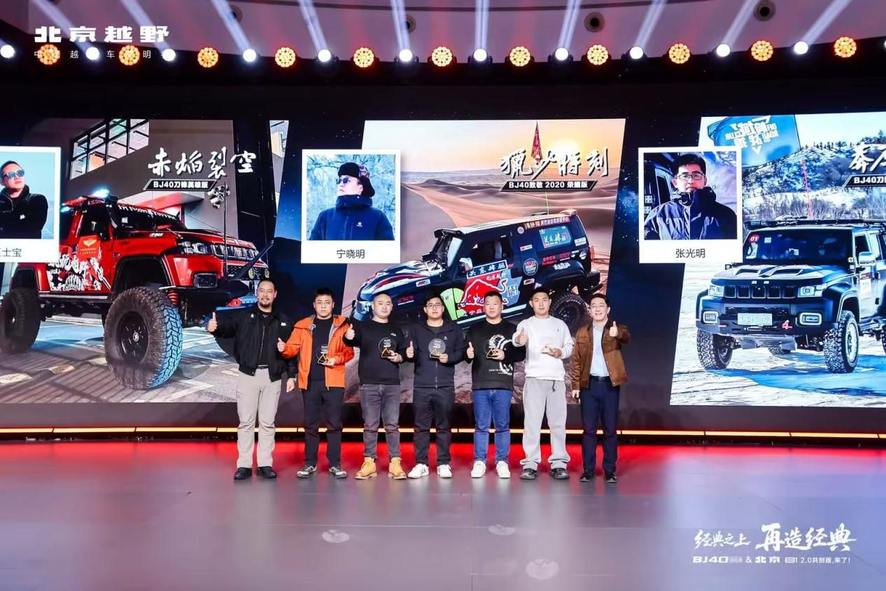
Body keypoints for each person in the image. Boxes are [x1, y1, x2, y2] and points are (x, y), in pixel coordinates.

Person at [206, 278, 296, 481]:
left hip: (272, 377)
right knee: (246, 423)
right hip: (248, 375)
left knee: (267, 423)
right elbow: (227, 328)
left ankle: (265, 464)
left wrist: (291, 375)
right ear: (257, 293)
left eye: (269, 291)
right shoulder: (244, 316)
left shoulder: (284, 321)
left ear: (275, 294)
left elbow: (290, 350)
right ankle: (244, 465)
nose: (265, 294)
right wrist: (214, 328)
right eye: (262, 290)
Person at [278, 288, 355, 479]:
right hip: (310, 383)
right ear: (314, 305)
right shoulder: (303, 325)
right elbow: (291, 350)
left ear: (333, 305)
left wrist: (335, 359)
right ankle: (309, 463)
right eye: (320, 302)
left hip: (333, 383)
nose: (323, 306)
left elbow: (349, 353)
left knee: (334, 424)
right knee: (310, 425)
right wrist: (283, 348)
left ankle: (335, 464)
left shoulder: (342, 325)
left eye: (327, 302)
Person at [343, 292, 409, 480]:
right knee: (370, 425)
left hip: (392, 385)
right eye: (380, 303)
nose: (384, 306)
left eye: (388, 303)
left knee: (392, 425)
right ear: (372, 306)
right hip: (369, 384)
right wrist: (348, 337)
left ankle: (395, 462)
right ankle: (369, 462)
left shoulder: (396, 330)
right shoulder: (363, 327)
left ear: (392, 307)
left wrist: (399, 357)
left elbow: (403, 353)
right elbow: (350, 340)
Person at [512, 288, 574, 480]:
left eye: (544, 299)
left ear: (549, 302)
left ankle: (559, 463)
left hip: (556, 380)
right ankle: (530, 463)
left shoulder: (560, 324)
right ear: (531, 303)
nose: (541, 303)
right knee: (532, 423)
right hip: (534, 379)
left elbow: (569, 346)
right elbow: (516, 339)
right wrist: (519, 339)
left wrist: (560, 352)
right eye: (537, 300)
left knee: (558, 424)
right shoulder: (526, 323)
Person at [570, 293, 630, 484]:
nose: (597, 309)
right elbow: (576, 361)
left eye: (601, 305)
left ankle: (610, 471)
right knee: (589, 431)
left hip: (610, 386)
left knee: (610, 430)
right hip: (589, 386)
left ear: (608, 309)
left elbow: (626, 337)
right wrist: (575, 385)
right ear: (589, 310)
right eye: (593, 305)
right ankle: (588, 470)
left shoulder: (616, 328)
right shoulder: (582, 332)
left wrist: (617, 334)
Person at [404, 293, 466, 479]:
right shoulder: (416, 329)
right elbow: (412, 354)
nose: (434, 308)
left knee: (444, 426)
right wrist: (409, 354)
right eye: (430, 305)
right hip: (422, 385)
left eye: (437, 304)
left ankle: (443, 463)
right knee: (420, 427)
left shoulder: (453, 328)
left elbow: (461, 352)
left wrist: (450, 358)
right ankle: (421, 463)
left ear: (443, 308)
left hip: (445, 386)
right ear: (425, 309)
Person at [465, 290, 525, 479]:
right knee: (481, 425)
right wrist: (467, 355)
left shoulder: (511, 329)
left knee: (502, 425)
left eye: (495, 303)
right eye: (488, 303)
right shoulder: (474, 329)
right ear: (483, 307)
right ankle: (479, 461)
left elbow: (520, 353)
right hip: (481, 384)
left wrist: (505, 355)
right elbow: (466, 354)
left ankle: (502, 461)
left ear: (501, 306)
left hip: (502, 383)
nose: (491, 307)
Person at [643, 153, 737, 240]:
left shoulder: (726, 215)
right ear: (675, 182)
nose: (691, 181)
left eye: (696, 175)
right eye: (684, 176)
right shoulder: (658, 215)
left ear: (705, 180)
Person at [309, 162, 394, 241]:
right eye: (339, 180)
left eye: (346, 180)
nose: (341, 184)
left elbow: (387, 250)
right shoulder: (325, 217)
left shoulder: (377, 217)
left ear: (360, 187)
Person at [0, 161, 48, 240]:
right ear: (1, 181)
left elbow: (32, 229)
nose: (17, 177)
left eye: (20, 173)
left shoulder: (37, 200)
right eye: (11, 174)